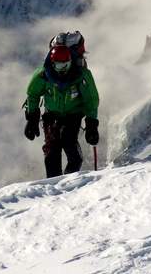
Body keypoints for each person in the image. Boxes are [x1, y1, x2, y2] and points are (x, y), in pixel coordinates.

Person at [23, 33, 100, 177]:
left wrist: (91, 125)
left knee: (68, 141)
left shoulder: (81, 76)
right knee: (51, 152)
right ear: (52, 63)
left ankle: (69, 180)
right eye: (58, 65)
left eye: (64, 64)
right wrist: (32, 119)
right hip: (51, 116)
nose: (61, 68)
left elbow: (91, 100)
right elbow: (32, 95)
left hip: (73, 115)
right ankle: (55, 185)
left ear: (70, 61)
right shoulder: (43, 75)